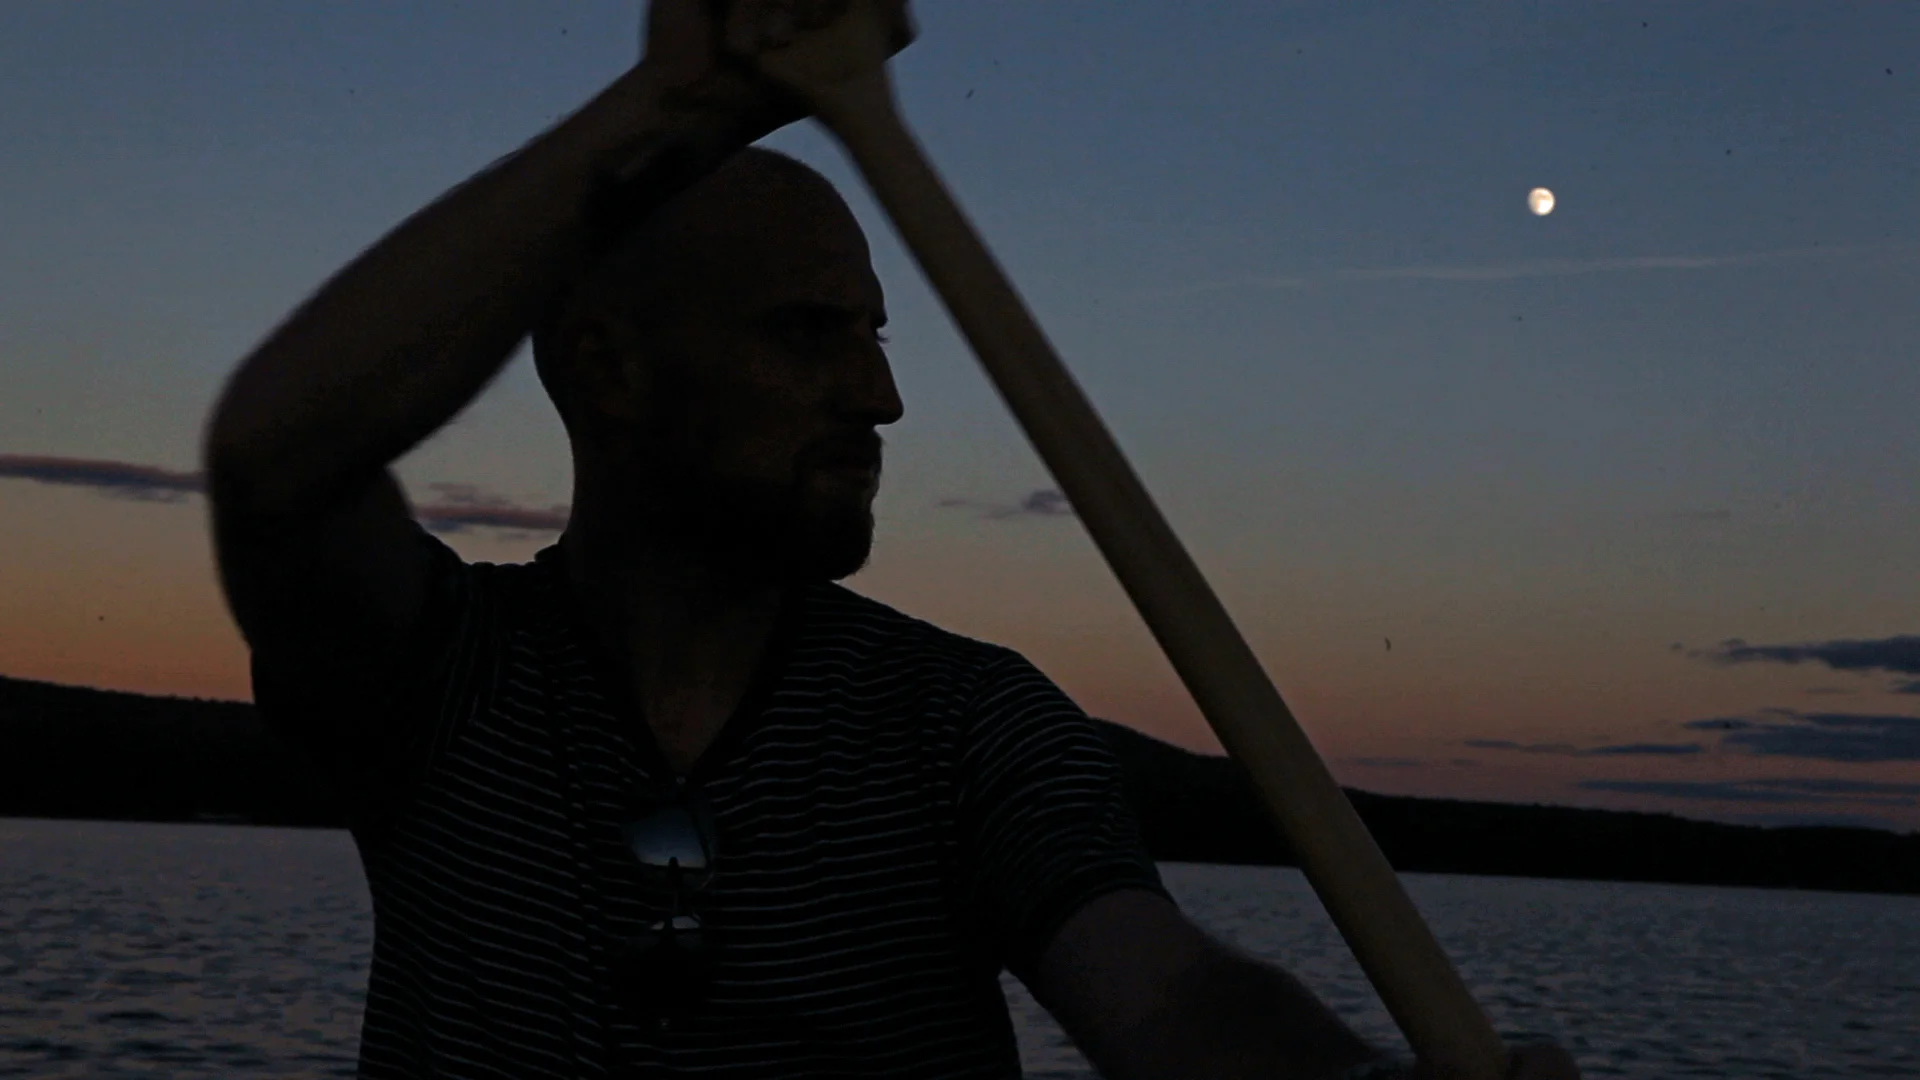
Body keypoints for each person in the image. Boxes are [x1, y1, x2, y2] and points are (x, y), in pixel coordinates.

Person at [203, 3, 1580, 1078]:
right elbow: (277, 462)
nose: (879, 396)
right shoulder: (440, 681)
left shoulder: (965, 727)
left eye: (875, 335)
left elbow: (1166, 995)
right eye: (810, 335)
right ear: (607, 371)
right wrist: (672, 103)